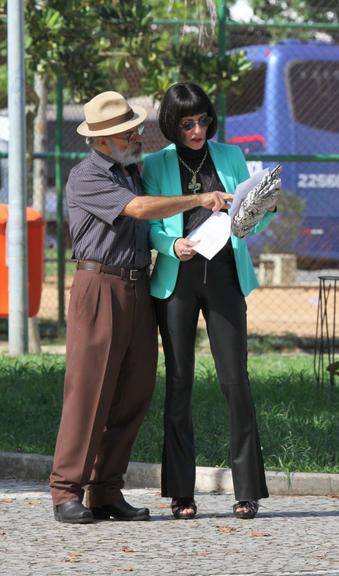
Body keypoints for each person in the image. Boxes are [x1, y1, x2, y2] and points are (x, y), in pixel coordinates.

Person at [49, 90, 232, 524]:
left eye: (132, 127)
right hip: (100, 288)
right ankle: (65, 492)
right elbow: (141, 211)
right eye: (124, 131)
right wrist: (199, 199)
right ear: (101, 140)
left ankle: (106, 492)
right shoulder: (88, 176)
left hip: (137, 287)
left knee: (134, 393)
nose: (135, 134)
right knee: (90, 393)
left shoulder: (131, 171)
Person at [142, 82, 277, 520]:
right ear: (172, 124)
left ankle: (248, 490)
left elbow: (247, 217)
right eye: (187, 123)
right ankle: (181, 492)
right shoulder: (155, 163)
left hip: (224, 275)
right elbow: (148, 222)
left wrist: (255, 212)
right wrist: (171, 244)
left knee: (235, 380)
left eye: (202, 121)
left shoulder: (232, 156)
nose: (197, 130)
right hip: (177, 278)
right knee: (179, 382)